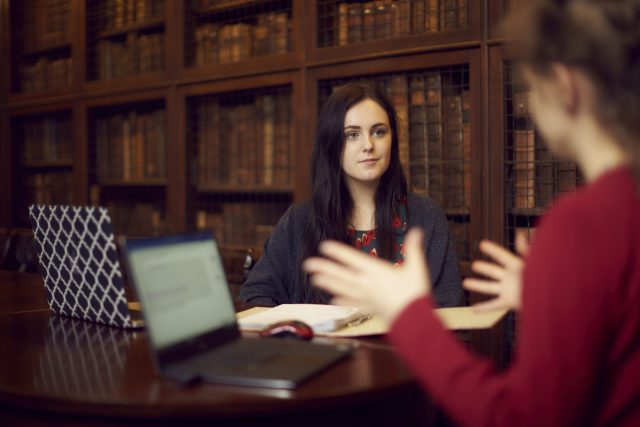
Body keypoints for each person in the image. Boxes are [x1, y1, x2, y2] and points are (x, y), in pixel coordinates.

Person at [303, 1, 640, 426]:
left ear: (564, 85)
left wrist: (406, 312)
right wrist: (552, 295)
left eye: (532, 87)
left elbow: (516, 418)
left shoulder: (580, 225)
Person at [240, 83, 462, 307]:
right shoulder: (300, 219)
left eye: (378, 132)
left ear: (392, 139)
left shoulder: (426, 216)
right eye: (352, 135)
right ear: (332, 144)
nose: (368, 145)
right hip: (319, 342)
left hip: (404, 342)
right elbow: (254, 295)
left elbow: (449, 310)